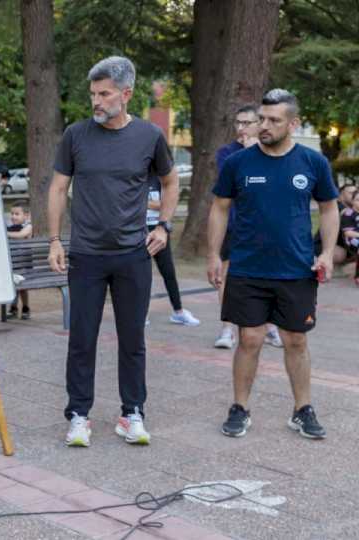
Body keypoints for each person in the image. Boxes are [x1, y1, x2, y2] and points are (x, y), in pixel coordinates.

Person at [47, 56, 179, 448]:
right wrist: (55, 239)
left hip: (132, 255)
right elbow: (57, 188)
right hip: (86, 255)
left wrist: (164, 226)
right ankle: (79, 416)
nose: (97, 101)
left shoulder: (149, 137)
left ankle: (131, 413)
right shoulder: (76, 135)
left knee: (132, 338)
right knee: (82, 339)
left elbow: (171, 184)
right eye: (93, 94)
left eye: (104, 94)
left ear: (126, 94)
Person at [208, 89, 339, 440]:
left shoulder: (313, 164)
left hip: (296, 269)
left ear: (293, 124)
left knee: (295, 339)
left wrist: (326, 253)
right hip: (248, 267)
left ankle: (302, 409)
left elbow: (329, 208)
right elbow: (219, 207)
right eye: (261, 119)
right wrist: (213, 255)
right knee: (249, 339)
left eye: (273, 120)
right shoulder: (238, 163)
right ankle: (240, 407)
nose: (263, 126)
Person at [213, 105, 283, 350]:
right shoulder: (227, 153)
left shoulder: (273, 152)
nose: (241, 128)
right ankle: (227, 329)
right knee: (227, 276)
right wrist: (247, 153)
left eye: (247, 123)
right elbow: (228, 186)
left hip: (267, 228)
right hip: (235, 226)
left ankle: (271, 327)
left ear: (259, 124)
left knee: (270, 275)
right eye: (238, 123)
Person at [145, 174, 200, 327]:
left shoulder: (159, 179)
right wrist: (155, 204)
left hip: (159, 232)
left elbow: (167, 203)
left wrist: (147, 203)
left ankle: (179, 312)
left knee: (169, 273)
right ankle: (143, 313)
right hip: (140, 233)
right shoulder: (135, 177)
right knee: (143, 277)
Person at [6, 201, 32, 320]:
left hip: (24, 264)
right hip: (13, 264)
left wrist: (5, 233)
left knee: (22, 288)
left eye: (17, 214)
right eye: (12, 214)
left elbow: (21, 235)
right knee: (13, 286)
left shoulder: (28, 227)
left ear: (26, 216)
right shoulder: (10, 228)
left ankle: (26, 307)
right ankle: (14, 307)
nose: (13, 216)